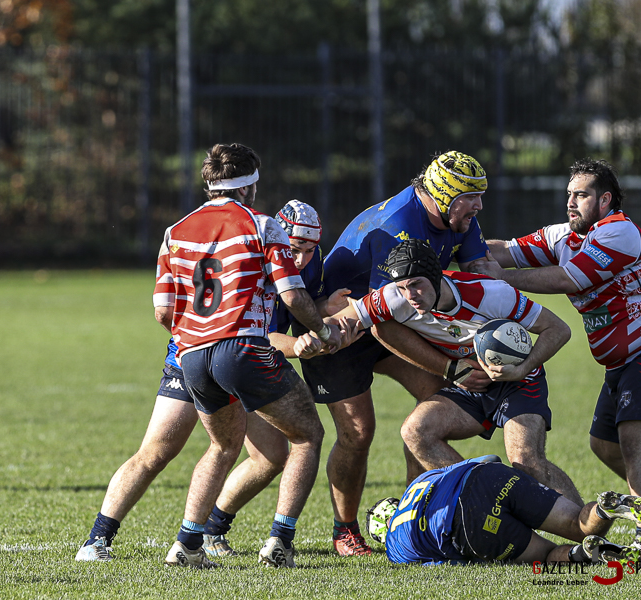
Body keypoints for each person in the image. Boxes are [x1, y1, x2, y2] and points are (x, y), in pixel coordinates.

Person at [74, 200, 348, 562]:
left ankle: (208, 532)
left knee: (269, 455)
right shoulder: (259, 249)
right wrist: (303, 342)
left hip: (214, 357)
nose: (299, 259)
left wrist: (325, 307)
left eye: (309, 250)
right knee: (159, 450)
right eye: (294, 249)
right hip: (222, 357)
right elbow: (255, 335)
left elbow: (300, 306)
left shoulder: (302, 262)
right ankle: (100, 539)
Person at [474, 158, 641, 551]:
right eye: (569, 194)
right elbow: (507, 251)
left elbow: (570, 278)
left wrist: (500, 278)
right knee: (605, 446)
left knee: (635, 440)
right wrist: (456, 248)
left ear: (605, 200)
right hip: (625, 361)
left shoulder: (619, 232)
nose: (570, 201)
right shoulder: (563, 235)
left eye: (580, 194)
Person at [153, 143, 342, 569]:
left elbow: (163, 310)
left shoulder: (175, 230)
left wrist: (196, 337)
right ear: (250, 185)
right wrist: (322, 330)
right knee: (307, 435)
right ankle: (280, 541)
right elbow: (292, 294)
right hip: (241, 348)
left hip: (191, 355)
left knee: (221, 446)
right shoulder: (262, 225)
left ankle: (186, 545)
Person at [300, 150, 495, 555]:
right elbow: (383, 320)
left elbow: (481, 274)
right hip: (345, 330)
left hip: (394, 317)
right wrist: (450, 365)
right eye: (470, 196)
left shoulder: (460, 217)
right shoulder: (398, 227)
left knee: (433, 407)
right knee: (358, 432)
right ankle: (345, 530)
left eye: (480, 195)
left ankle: (414, 511)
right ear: (443, 194)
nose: (479, 205)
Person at [299, 239, 582, 506]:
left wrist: (521, 368)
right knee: (415, 431)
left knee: (525, 458)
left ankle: (583, 529)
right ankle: (486, 498)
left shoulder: (489, 293)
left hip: (518, 381)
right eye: (401, 287)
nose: (410, 296)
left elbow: (558, 329)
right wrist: (316, 335)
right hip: (468, 383)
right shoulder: (394, 297)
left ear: (435, 276)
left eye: (416, 285)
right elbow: (338, 322)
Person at [366, 456, 641, 565]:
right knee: (575, 523)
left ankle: (587, 554)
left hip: (467, 521)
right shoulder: (418, 482)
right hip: (486, 476)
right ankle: (607, 508)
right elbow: (486, 457)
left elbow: (447, 560)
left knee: (544, 555)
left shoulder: (394, 547)